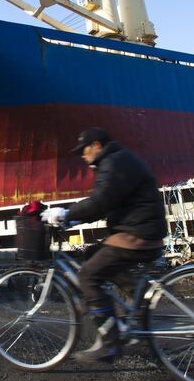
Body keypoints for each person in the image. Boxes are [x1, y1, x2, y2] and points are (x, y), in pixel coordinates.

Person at [41, 127, 166, 363]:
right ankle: (137, 305)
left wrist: (66, 213)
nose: (82, 155)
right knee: (93, 254)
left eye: (84, 149)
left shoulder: (113, 162)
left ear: (97, 145)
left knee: (88, 276)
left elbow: (100, 201)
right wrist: (74, 218)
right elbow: (108, 201)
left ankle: (110, 344)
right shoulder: (118, 160)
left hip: (137, 235)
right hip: (139, 230)